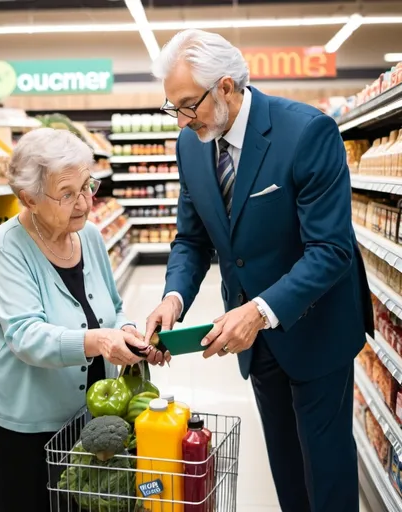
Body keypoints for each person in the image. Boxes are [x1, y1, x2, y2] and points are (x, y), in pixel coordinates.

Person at [145, 29, 374, 512]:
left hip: (315, 327)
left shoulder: (307, 132)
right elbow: (192, 238)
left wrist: (262, 309)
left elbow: (331, 249)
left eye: (189, 105)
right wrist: (174, 298)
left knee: (327, 471)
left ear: (225, 86)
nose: (183, 121)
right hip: (253, 338)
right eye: (174, 108)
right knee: (286, 467)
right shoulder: (191, 146)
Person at [0, 128, 147, 512]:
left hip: (86, 408)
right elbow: (25, 335)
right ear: (28, 199)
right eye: (68, 193)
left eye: (87, 186)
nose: (85, 202)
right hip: (25, 411)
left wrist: (128, 331)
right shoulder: (9, 245)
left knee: (79, 499)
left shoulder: (91, 237)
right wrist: (100, 341)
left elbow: (114, 306)